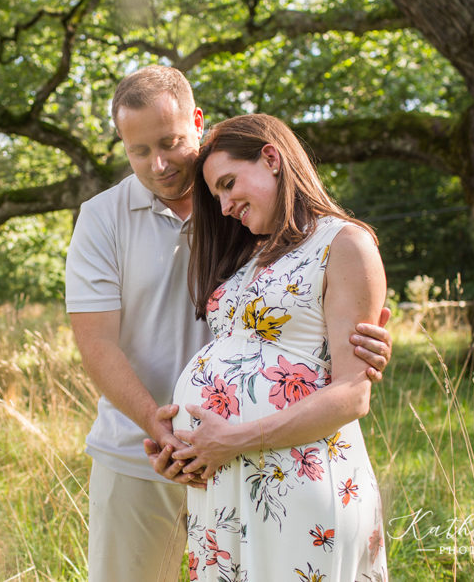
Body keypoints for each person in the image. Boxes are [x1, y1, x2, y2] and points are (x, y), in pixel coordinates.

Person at [65, 66, 392, 582]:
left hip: (256, 460)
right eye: (139, 150)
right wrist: (160, 428)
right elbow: (96, 343)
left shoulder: (248, 212)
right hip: (143, 450)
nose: (159, 163)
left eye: (170, 142)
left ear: (196, 122)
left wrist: (362, 342)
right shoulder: (104, 217)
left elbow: (319, 304)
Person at [157, 113, 388, 581]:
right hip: (227, 485)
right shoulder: (249, 257)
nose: (224, 207)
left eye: (228, 184)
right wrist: (187, 449)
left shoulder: (345, 243)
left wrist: (232, 439)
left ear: (271, 158)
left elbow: (353, 394)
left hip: (297, 478)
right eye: (216, 196)